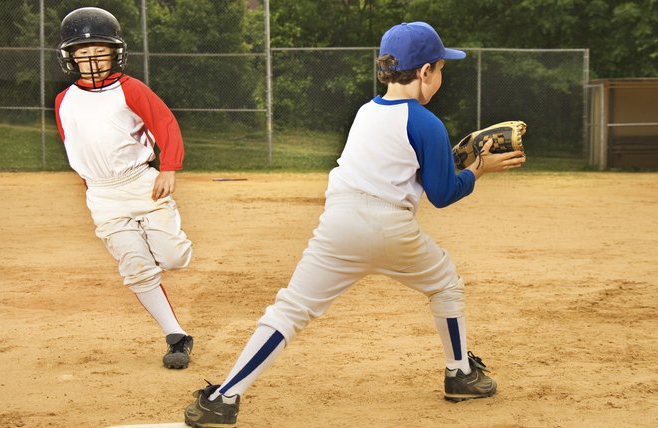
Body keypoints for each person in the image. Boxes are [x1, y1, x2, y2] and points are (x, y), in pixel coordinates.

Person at [183, 21, 526, 427]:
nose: (440, 76)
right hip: (390, 229)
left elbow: (397, 169)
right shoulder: (427, 123)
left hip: (339, 225)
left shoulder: (366, 112)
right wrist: (480, 169)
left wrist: (456, 160)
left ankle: (224, 398)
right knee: (445, 284)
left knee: (290, 310)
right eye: (440, 68)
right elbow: (442, 193)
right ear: (424, 72)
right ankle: (460, 375)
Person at [54, 7, 194, 369]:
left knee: (175, 258)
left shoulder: (130, 89)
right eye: (83, 53)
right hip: (102, 195)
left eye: (100, 50)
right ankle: (176, 336)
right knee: (135, 267)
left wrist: (169, 168)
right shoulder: (64, 101)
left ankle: (157, 235)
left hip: (141, 185)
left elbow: (165, 123)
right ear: (70, 58)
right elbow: (76, 146)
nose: (92, 59)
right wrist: (93, 190)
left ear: (115, 52)